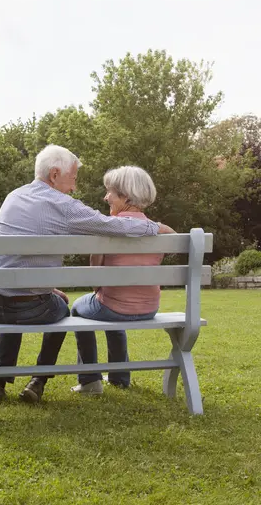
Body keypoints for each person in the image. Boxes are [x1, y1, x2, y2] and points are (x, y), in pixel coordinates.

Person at [0, 146, 174, 404]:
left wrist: (45, 289)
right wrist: (155, 227)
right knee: (59, 309)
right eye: (73, 178)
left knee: (14, 294)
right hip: (32, 307)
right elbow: (109, 225)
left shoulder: (13, 196)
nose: (74, 188)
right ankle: (38, 381)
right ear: (55, 174)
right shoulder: (64, 205)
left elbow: (15, 263)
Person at [71, 165, 166, 395]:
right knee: (112, 309)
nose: (106, 197)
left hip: (113, 305)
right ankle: (120, 377)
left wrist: (100, 291)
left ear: (125, 196)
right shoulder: (161, 232)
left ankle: (90, 380)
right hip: (149, 308)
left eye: (110, 192)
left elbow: (96, 277)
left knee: (77, 308)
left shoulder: (106, 229)